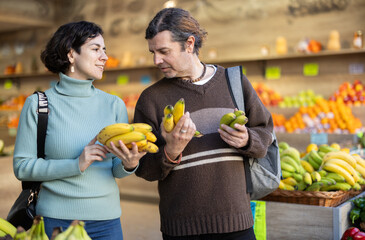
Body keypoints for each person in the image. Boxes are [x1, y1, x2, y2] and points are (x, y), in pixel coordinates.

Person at [133, 8, 274, 240]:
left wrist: (248, 139)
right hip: (181, 228)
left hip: (236, 222)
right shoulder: (151, 99)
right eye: (153, 52)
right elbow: (145, 169)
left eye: (163, 51)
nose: (157, 60)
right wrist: (170, 152)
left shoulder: (235, 83)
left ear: (189, 44)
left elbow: (265, 134)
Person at [13, 21, 146, 240]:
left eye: (105, 50)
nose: (104, 56)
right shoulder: (38, 104)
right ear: (71, 54)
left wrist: (129, 164)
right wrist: (76, 164)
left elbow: (115, 169)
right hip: (55, 221)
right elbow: (22, 167)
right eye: (95, 49)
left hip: (107, 222)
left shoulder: (114, 104)